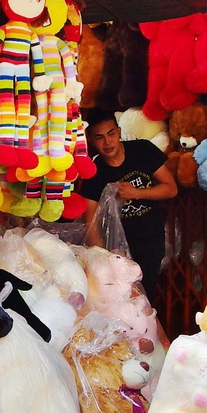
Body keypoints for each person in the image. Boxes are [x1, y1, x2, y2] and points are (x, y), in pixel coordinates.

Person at [81, 109, 178, 301]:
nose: (107, 142)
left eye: (111, 134)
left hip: (151, 239)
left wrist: (137, 193)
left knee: (146, 296)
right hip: (117, 250)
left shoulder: (142, 150)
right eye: (99, 137)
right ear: (91, 140)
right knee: (122, 299)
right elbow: (90, 220)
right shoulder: (94, 171)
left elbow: (171, 188)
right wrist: (105, 259)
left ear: (118, 132)